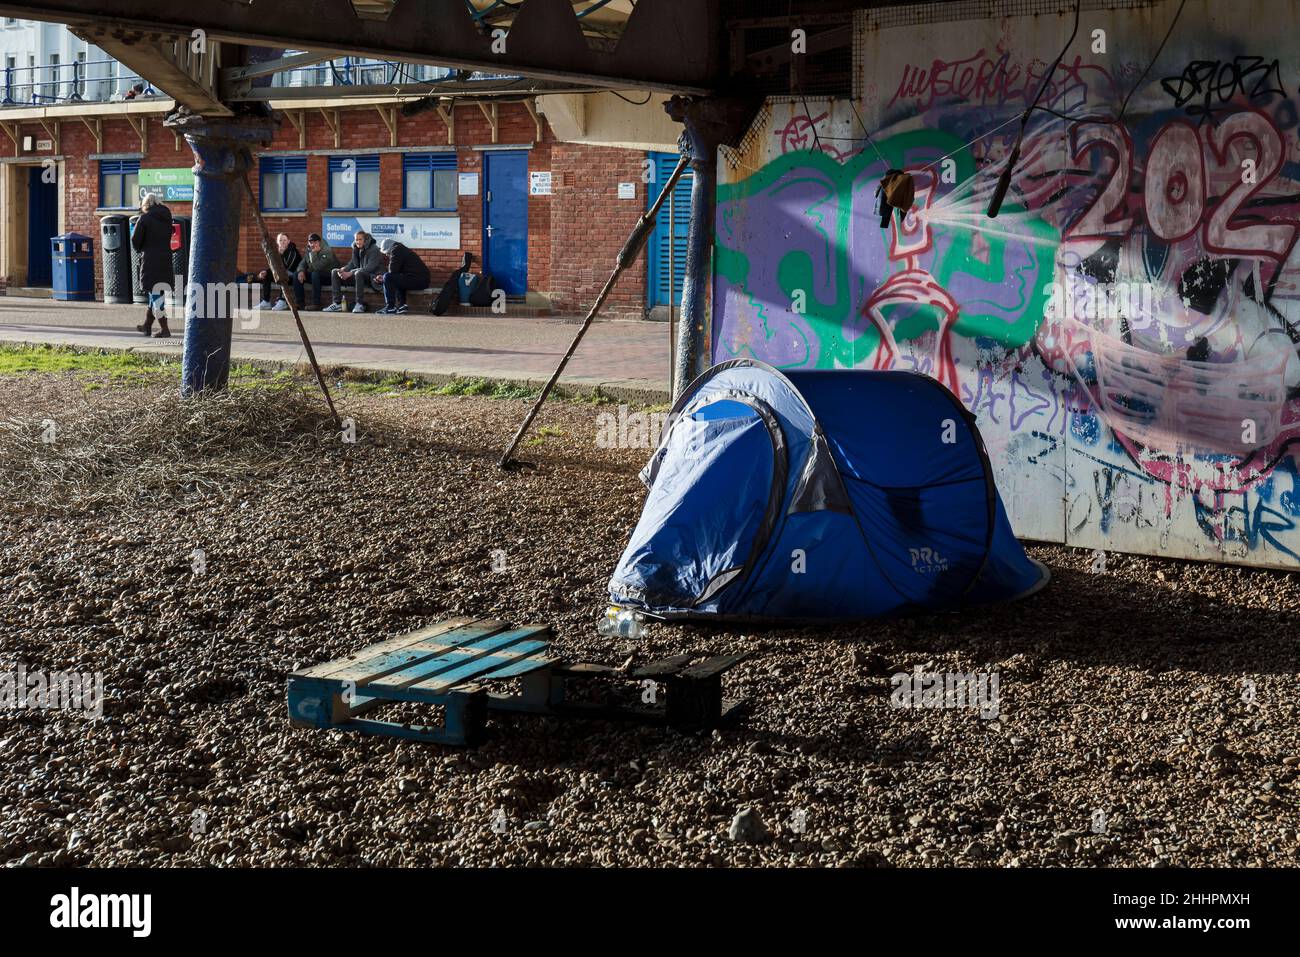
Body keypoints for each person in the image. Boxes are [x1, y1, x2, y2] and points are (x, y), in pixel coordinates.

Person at [130, 193, 173, 338]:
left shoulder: (145, 219)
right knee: (155, 293)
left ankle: (164, 328)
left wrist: (142, 248)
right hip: (165, 259)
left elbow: (135, 240)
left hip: (150, 260)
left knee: (156, 295)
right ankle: (147, 326)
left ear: (146, 205)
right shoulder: (167, 218)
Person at [323, 230, 383, 313]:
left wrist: (350, 273)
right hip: (358, 275)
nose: (357, 242)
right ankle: (337, 303)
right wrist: (343, 269)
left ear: (365, 240)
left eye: (360, 239)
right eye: (356, 239)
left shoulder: (374, 249)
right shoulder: (356, 248)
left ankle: (359, 304)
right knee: (335, 272)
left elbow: (369, 268)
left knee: (359, 273)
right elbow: (353, 264)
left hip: (372, 277)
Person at [375, 238, 430, 315]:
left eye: (387, 253)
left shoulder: (396, 250)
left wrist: (384, 278)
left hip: (418, 280)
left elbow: (392, 271)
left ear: (390, 248)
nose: (387, 255)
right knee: (396, 278)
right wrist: (384, 277)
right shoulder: (402, 249)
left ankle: (390, 307)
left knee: (388, 277)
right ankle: (402, 306)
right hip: (421, 280)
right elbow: (396, 274)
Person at [259, 233, 302, 311]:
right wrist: (266, 271)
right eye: (280, 240)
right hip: (282, 274)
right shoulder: (276, 251)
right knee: (267, 274)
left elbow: (286, 267)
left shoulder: (293, 251)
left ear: (288, 241)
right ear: (277, 242)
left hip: (293, 277)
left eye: (284, 240)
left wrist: (281, 255)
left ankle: (282, 301)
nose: (282, 242)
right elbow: (274, 266)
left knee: (283, 273)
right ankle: (266, 301)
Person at [295, 233, 334, 310]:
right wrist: (301, 271)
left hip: (328, 277)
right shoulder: (309, 250)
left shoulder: (327, 251)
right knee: (296, 274)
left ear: (319, 242)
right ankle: (300, 303)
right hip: (316, 276)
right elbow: (302, 263)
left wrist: (314, 253)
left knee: (315, 274)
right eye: (310, 242)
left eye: (315, 242)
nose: (312, 244)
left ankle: (316, 304)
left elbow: (317, 267)